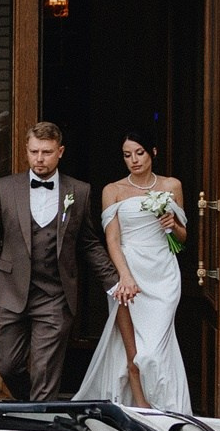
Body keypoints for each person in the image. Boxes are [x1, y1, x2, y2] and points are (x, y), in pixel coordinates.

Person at [0, 121, 118, 402]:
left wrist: (112, 281)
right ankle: (34, 408)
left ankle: (39, 427)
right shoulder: (4, 188)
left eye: (47, 152)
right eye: (35, 151)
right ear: (27, 150)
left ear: (60, 151)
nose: (40, 159)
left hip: (55, 296)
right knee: (8, 364)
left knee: (45, 370)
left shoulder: (79, 191)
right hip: (10, 292)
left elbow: (88, 243)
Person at [77, 134, 191, 412]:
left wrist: (171, 225)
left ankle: (168, 406)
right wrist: (124, 277)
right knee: (134, 350)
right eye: (127, 155)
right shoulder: (112, 190)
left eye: (139, 153)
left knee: (155, 350)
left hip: (163, 273)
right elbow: (112, 241)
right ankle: (142, 406)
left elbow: (182, 238)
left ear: (152, 151)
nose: (134, 160)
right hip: (129, 271)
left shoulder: (171, 185)